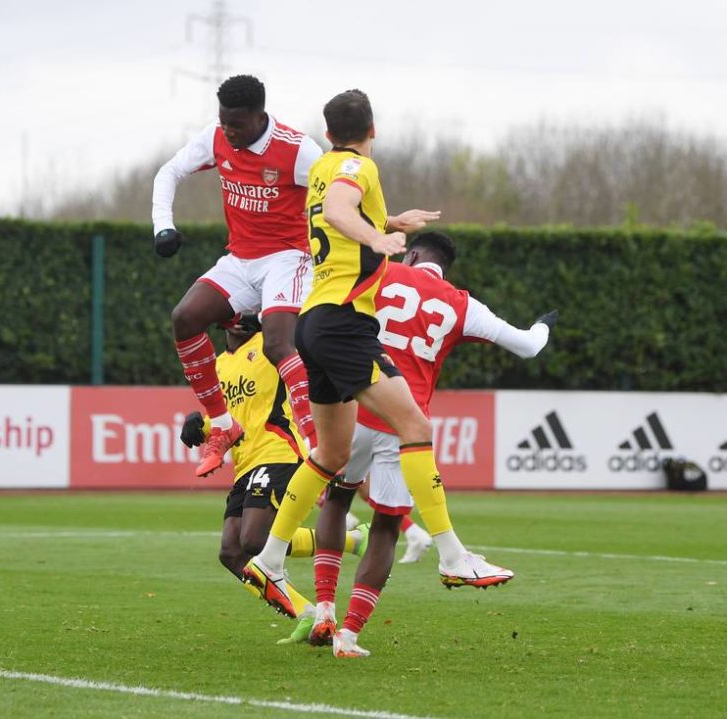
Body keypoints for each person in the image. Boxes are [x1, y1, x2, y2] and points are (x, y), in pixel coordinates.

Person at [238, 88, 487, 659]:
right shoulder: (357, 165)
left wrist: (393, 219)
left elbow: (334, 213)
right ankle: (452, 556)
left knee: (329, 455)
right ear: (372, 128)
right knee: (416, 428)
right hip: (347, 323)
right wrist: (380, 236)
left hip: (313, 320)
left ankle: (271, 559)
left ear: (328, 132)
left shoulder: (325, 166)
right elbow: (339, 214)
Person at [303, 230, 558, 656]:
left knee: (337, 500)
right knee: (386, 526)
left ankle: (324, 610)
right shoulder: (460, 303)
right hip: (403, 423)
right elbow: (528, 347)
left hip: (353, 402)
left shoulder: (379, 271)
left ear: (414, 253)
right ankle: (348, 636)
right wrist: (543, 326)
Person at [152, 74, 323, 477]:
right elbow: (168, 172)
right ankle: (224, 427)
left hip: (289, 258)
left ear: (260, 116)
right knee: (185, 318)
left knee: (278, 345)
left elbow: (339, 197)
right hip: (242, 260)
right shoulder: (216, 137)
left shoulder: (299, 151)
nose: (228, 131)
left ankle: (317, 445)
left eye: (237, 125)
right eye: (223, 122)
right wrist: (163, 225)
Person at [177, 316, 369, 616]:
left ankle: (352, 540)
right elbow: (225, 420)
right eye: (235, 312)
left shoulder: (273, 347)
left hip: (278, 452)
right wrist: (197, 426)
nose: (241, 318)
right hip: (245, 463)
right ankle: (304, 612)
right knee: (231, 553)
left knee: (254, 539)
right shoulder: (217, 366)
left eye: (250, 311)